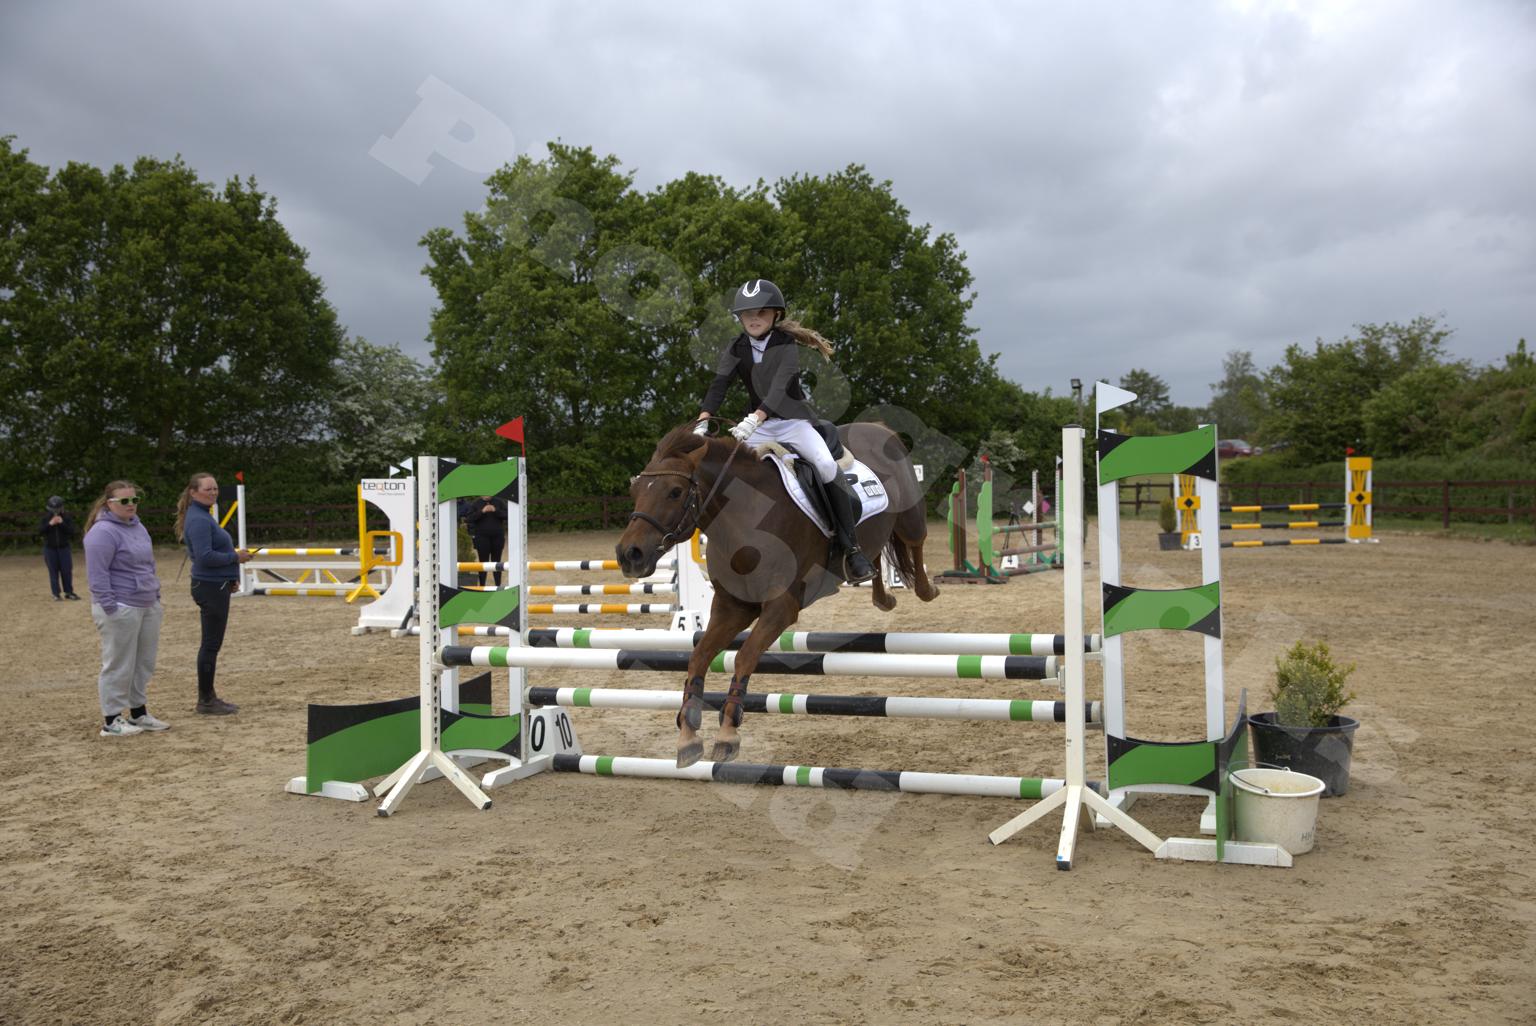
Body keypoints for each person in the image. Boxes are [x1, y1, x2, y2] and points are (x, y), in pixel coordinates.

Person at [696, 278, 875, 583]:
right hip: (759, 426)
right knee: (727, 469)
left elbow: (780, 388)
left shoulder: (785, 344)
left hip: (793, 423)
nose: (754, 318)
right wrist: (702, 420)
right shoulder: (736, 347)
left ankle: (852, 549)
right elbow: (719, 385)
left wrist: (756, 417)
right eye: (747, 313)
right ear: (740, 318)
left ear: (776, 314)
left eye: (761, 312)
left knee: (825, 464)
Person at [82, 480, 170, 737]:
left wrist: (155, 595)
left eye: (134, 500)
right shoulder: (102, 533)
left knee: (143, 662)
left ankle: (138, 712)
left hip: (147, 603)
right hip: (120, 606)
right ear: (109, 503)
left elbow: (148, 564)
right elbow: (97, 575)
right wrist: (111, 607)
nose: (131, 505)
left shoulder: (139, 526)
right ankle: (111, 720)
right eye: (124, 501)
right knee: (118, 663)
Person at [174, 473, 250, 715]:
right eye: (208, 489)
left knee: (211, 644)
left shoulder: (202, 515)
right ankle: (206, 699)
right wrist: (235, 557)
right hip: (210, 586)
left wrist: (230, 577)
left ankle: (208, 697)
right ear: (193, 492)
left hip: (216, 584)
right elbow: (205, 557)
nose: (214, 492)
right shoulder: (198, 519)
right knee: (210, 644)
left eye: (215, 488)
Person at [39, 495, 81, 601]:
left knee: (66, 570)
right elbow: (40, 531)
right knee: (53, 571)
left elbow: (71, 531)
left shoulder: (66, 518)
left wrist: (62, 523)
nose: (56, 511)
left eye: (58, 508)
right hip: (50, 549)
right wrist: (50, 524)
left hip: (64, 548)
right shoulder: (45, 518)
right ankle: (56, 594)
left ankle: (69, 592)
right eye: (53, 509)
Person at [463, 495, 508, 587]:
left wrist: (495, 510)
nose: (487, 495)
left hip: (497, 537)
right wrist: (482, 511)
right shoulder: (476, 503)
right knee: (483, 561)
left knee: (497, 561)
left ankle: (498, 585)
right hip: (481, 537)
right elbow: (469, 519)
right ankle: (482, 585)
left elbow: (508, 515)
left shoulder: (499, 502)